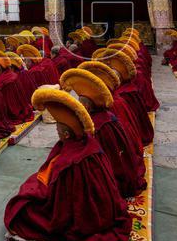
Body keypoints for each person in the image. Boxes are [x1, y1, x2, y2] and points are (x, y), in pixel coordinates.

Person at [4, 88, 135, 241]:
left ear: (66, 134)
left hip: (83, 219)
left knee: (21, 208)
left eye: (58, 131)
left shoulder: (70, 162)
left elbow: (61, 206)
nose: (57, 133)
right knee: (32, 184)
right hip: (105, 207)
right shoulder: (89, 142)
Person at [60, 68, 145, 198]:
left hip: (112, 174)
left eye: (80, 104)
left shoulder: (97, 126)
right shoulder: (106, 116)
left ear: (87, 107)